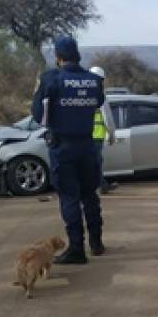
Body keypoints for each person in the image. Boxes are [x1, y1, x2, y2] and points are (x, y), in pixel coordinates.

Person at [31, 36, 106, 264]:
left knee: (69, 197)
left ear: (58, 57)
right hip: (88, 145)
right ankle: (96, 243)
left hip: (63, 147)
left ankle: (76, 249)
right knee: (89, 195)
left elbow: (37, 116)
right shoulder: (94, 80)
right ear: (78, 55)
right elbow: (98, 102)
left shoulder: (51, 80)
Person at [88, 66, 118, 194]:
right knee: (96, 163)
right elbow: (107, 116)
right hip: (96, 135)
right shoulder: (99, 94)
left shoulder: (80, 91)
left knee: (90, 162)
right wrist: (111, 134)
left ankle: (100, 184)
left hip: (82, 134)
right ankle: (99, 186)